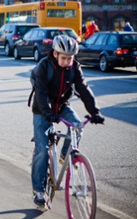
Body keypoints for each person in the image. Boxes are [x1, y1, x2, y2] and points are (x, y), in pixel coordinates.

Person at [31, 35, 105, 208]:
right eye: (64, 58)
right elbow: (40, 93)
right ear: (55, 54)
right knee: (42, 150)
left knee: (78, 125)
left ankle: (66, 155)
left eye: (70, 58)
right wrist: (47, 113)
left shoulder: (74, 68)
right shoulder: (44, 66)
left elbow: (84, 89)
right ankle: (38, 191)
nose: (67, 61)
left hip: (61, 106)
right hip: (42, 109)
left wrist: (95, 111)